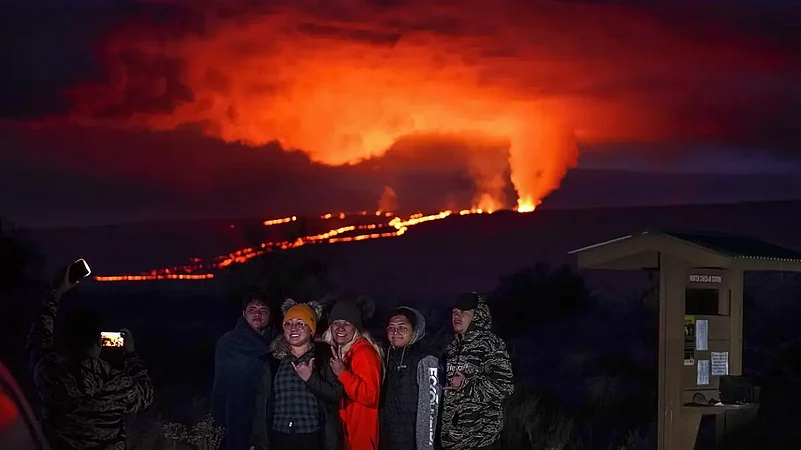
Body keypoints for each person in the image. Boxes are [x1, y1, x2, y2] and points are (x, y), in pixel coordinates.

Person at [26, 266, 153, 450]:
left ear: (66, 340)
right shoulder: (118, 383)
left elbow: (38, 339)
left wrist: (55, 294)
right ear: (99, 341)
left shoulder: (49, 375)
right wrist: (131, 355)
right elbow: (146, 394)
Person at [252, 299, 344, 450]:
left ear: (311, 329)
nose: (293, 328)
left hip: (313, 437)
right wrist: (258, 441)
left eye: (300, 323)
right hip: (279, 436)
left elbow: (336, 394)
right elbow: (261, 404)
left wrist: (311, 379)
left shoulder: (324, 358)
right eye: (288, 323)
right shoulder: (273, 361)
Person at [440, 293, 514, 450]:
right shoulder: (452, 347)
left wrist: (466, 385)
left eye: (463, 312)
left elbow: (505, 387)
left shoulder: (491, 344)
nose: (457, 316)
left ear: (477, 316)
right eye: (454, 312)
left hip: (480, 438)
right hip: (452, 439)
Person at [211, 291, 274, 450]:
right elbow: (224, 389)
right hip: (236, 418)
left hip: (270, 421)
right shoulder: (230, 342)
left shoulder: (277, 343)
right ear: (244, 313)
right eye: (252, 309)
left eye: (263, 310)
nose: (258, 314)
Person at [323, 298, 383, 450]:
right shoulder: (341, 352)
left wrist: (343, 374)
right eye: (336, 323)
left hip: (360, 435)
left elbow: (370, 395)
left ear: (356, 327)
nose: (340, 328)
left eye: (347, 323)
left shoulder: (364, 353)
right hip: (346, 432)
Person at [379, 307, 441, 450]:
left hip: (413, 442)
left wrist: (425, 447)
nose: (395, 332)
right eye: (391, 328)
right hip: (391, 439)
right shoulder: (391, 356)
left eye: (402, 328)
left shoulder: (426, 359)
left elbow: (430, 411)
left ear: (415, 331)